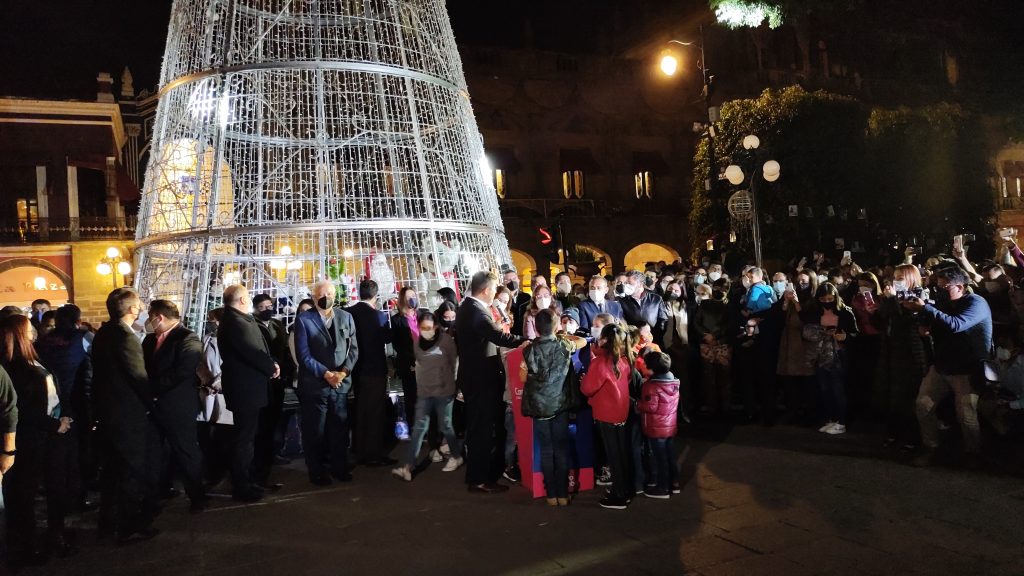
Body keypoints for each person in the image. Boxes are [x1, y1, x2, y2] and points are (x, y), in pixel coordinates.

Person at [1, 314, 76, 565]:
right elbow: (23, 410)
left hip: (51, 436)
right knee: (29, 492)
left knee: (55, 488)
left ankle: (54, 536)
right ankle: (31, 544)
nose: (34, 329)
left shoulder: (35, 358)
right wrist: (57, 424)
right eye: (29, 327)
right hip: (36, 438)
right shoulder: (16, 368)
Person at [903, 267, 992, 467]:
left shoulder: (976, 303)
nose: (940, 291)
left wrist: (926, 308)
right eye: (938, 286)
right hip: (942, 365)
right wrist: (923, 322)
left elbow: (956, 324)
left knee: (966, 414)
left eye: (945, 287)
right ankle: (930, 446)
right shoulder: (943, 302)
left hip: (967, 368)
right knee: (923, 404)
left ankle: (973, 453)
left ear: (960, 286)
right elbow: (931, 323)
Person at [91, 287, 161, 543]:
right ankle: (128, 524)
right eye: (139, 304)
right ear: (132, 309)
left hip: (108, 413)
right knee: (130, 471)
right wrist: (152, 403)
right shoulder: (125, 336)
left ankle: (107, 524)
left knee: (111, 471)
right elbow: (138, 376)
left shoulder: (103, 333)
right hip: (126, 416)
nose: (142, 307)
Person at [455, 271, 525, 494]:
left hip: (478, 377)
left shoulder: (470, 307)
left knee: (481, 428)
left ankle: (479, 476)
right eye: (494, 289)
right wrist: (525, 341)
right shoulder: (475, 311)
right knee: (481, 430)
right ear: (485, 290)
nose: (496, 293)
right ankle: (479, 479)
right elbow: (498, 336)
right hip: (480, 379)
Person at [141, 300, 206, 512]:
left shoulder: (188, 338)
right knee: (154, 453)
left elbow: (183, 372)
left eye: (150, 317)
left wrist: (152, 388)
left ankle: (196, 496)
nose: (148, 322)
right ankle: (158, 492)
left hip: (178, 406)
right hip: (153, 407)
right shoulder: (150, 340)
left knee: (186, 451)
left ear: (159, 317)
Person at [293, 280, 359, 485]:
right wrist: (326, 374)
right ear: (314, 297)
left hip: (340, 384)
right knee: (316, 432)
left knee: (339, 429)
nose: (326, 297)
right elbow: (304, 355)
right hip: (315, 386)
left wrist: (343, 372)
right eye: (322, 294)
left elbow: (353, 349)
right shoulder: (304, 320)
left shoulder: (346, 317)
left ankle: (339, 467)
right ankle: (317, 471)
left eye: (330, 293)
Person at [218, 285, 280, 501]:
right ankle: (242, 486)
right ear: (243, 300)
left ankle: (248, 479)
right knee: (244, 440)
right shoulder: (236, 322)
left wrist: (270, 363)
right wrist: (271, 367)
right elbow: (251, 351)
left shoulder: (236, 319)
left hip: (248, 387)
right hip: (245, 389)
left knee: (247, 438)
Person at [519, 309, 585, 506]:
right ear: (556, 327)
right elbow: (582, 342)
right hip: (561, 404)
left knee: (547, 450)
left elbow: (523, 377)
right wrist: (562, 334)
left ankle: (551, 495)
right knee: (561, 449)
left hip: (539, 407)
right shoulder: (564, 344)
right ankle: (563, 495)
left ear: (536, 328)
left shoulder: (528, 349)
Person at [392, 311, 463, 481]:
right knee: (418, 429)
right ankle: (409, 465)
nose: (426, 331)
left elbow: (454, 363)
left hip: (444, 390)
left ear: (436, 327)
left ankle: (456, 455)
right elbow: (420, 365)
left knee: (445, 425)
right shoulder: (417, 343)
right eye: (423, 328)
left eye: (429, 328)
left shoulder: (446, 341)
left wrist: (453, 385)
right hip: (425, 391)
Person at [35, 304, 91, 510]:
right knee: (79, 451)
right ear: (77, 319)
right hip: (77, 399)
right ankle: (77, 497)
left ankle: (61, 498)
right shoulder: (83, 338)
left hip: (51, 401)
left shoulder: (43, 341)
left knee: (58, 454)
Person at [582, 322, 634, 509]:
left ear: (604, 339)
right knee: (621, 452)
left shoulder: (600, 363)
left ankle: (618, 494)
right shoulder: (624, 359)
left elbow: (587, 388)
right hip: (621, 411)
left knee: (613, 455)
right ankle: (625, 489)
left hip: (606, 413)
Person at [876, 265, 928, 449]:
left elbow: (904, 320)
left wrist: (891, 301)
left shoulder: (917, 296)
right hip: (891, 352)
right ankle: (893, 433)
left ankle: (912, 437)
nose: (896, 281)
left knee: (909, 398)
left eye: (901, 277)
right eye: (895, 277)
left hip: (910, 354)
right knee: (892, 396)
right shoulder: (891, 298)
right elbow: (883, 320)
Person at [347, 280, 395, 467]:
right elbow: (387, 337)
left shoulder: (349, 313)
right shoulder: (378, 316)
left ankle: (358, 449)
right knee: (374, 412)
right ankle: (373, 454)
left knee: (360, 409)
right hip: (374, 370)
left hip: (355, 368)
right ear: (376, 295)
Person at [251, 294, 296, 487]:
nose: (267, 309)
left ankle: (272, 454)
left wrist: (284, 372)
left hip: (278, 380)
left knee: (275, 420)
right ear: (255, 308)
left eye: (269, 305)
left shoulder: (277, 325)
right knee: (262, 424)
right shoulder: (252, 326)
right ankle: (260, 460)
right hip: (262, 380)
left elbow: (285, 349)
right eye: (262, 307)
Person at [805, 283, 858, 435]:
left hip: (838, 354)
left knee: (838, 388)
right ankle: (831, 418)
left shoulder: (845, 312)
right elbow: (807, 329)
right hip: (821, 354)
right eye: (823, 299)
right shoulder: (815, 312)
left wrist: (845, 336)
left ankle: (841, 421)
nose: (827, 302)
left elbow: (855, 333)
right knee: (825, 388)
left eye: (830, 298)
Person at [196, 308, 233, 487]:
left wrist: (220, 380)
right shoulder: (207, 339)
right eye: (211, 320)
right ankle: (213, 470)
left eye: (217, 320)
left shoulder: (235, 339)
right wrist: (207, 380)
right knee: (208, 435)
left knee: (226, 436)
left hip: (227, 393)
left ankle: (228, 469)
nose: (215, 323)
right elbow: (199, 363)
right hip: (208, 393)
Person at [636, 351, 679, 499]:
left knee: (660, 458)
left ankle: (663, 488)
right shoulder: (673, 381)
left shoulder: (651, 386)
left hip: (656, 427)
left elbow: (651, 407)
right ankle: (674, 483)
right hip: (670, 425)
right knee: (669, 455)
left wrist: (636, 404)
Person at [695, 278, 732, 416]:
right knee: (708, 376)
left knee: (725, 377)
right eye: (717, 288)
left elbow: (730, 325)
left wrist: (716, 336)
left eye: (723, 289)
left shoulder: (729, 306)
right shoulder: (704, 305)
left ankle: (726, 408)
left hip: (723, 344)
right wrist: (705, 335)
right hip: (706, 344)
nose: (720, 291)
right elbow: (696, 323)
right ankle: (712, 408)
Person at [392, 286, 422, 426]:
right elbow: (398, 345)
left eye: (413, 296)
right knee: (412, 398)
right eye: (409, 297)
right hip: (410, 364)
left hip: (427, 363)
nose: (412, 299)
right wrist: (413, 361)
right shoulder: (397, 320)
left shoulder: (423, 315)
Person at [620, 270, 669, 344]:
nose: (626, 286)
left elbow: (663, 320)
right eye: (625, 283)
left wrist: (655, 337)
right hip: (634, 342)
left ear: (640, 284)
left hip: (655, 340)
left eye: (629, 283)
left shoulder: (656, 299)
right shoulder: (622, 301)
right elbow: (623, 322)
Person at [502, 268, 532, 337]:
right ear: (504, 283)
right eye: (509, 280)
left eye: (514, 278)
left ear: (518, 280)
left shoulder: (527, 297)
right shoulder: (502, 298)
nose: (512, 281)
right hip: (508, 335)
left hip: (524, 334)